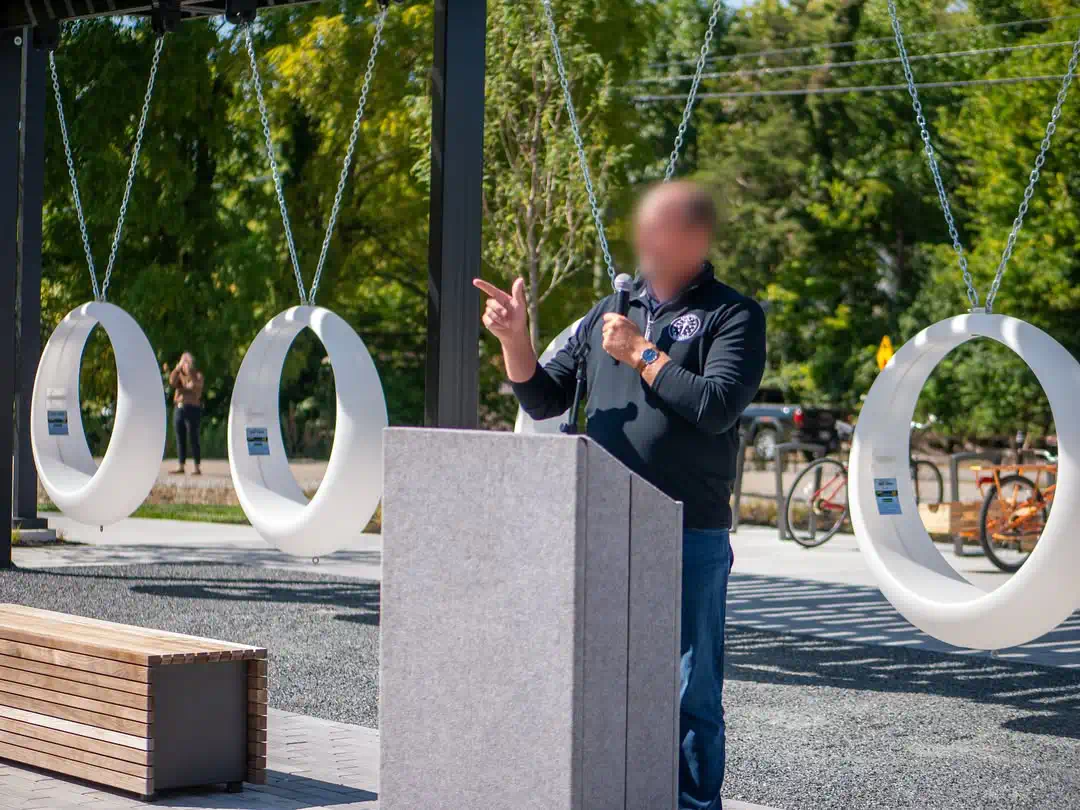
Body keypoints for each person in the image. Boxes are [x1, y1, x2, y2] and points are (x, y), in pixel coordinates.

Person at [474, 181, 766, 810]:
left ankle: (692, 804)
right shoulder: (610, 307)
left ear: (694, 238)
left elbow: (716, 407)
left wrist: (641, 354)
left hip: (688, 531)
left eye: (659, 227)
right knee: (600, 676)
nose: (643, 240)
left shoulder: (732, 315)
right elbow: (545, 398)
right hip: (603, 526)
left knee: (691, 689)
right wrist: (514, 340)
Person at [167, 352, 205, 476]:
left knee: (193, 437)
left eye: (187, 361)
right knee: (180, 437)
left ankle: (196, 466)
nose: (185, 364)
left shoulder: (197, 375)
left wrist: (189, 375)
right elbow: (172, 381)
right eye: (183, 361)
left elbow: (195, 385)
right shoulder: (178, 375)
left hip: (192, 408)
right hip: (179, 407)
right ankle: (181, 465)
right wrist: (177, 369)